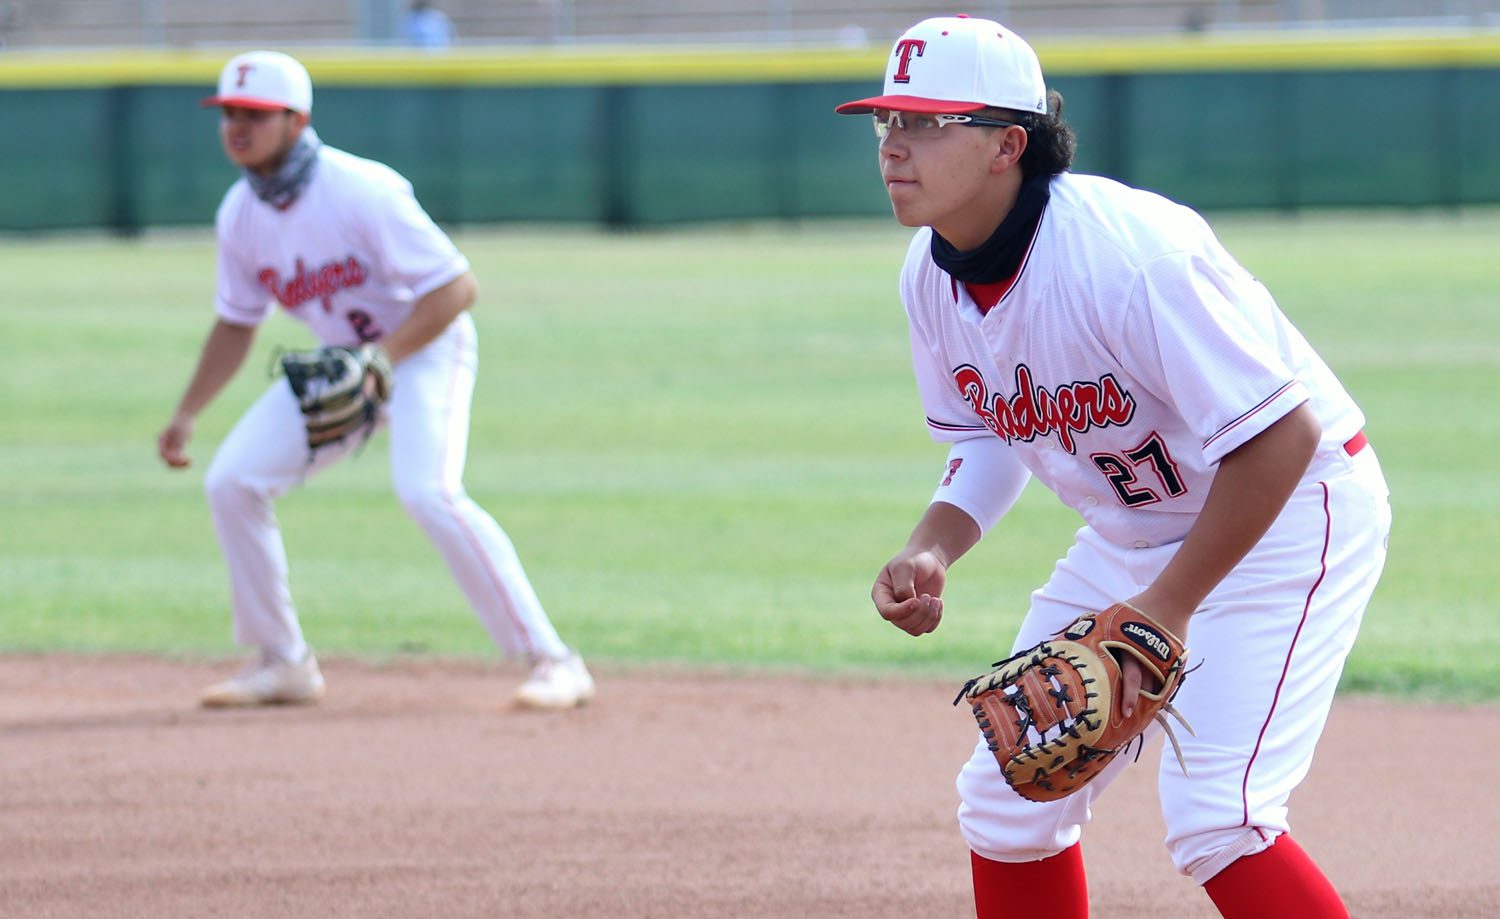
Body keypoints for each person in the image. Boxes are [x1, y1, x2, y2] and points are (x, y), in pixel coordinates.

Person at [842, 15, 1390, 918]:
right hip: (1138, 530)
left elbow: (1282, 437)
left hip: (1289, 512)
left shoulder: (1128, 256)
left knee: (1222, 818)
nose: (894, 146)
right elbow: (986, 434)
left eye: (925, 124)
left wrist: (1165, 610)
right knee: (1006, 801)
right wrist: (933, 545)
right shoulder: (928, 274)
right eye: (886, 123)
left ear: (1006, 145)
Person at [159, 50, 594, 711]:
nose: (237, 127)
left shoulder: (360, 188)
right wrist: (189, 411)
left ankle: (554, 660)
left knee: (429, 492)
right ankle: (284, 661)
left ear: (297, 119)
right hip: (345, 364)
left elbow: (456, 287)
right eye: (228, 115)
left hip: (426, 351)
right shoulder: (239, 214)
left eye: (255, 114)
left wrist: (383, 360)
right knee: (232, 481)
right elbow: (236, 321)